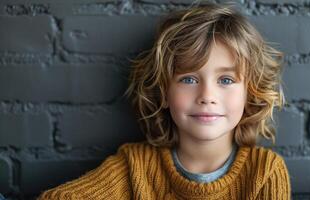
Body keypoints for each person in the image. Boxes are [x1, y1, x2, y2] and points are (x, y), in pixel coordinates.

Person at [38, 2, 291, 199]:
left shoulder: (265, 172)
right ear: (164, 93)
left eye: (226, 80)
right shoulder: (135, 166)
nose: (207, 97)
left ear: (251, 92)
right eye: (189, 80)